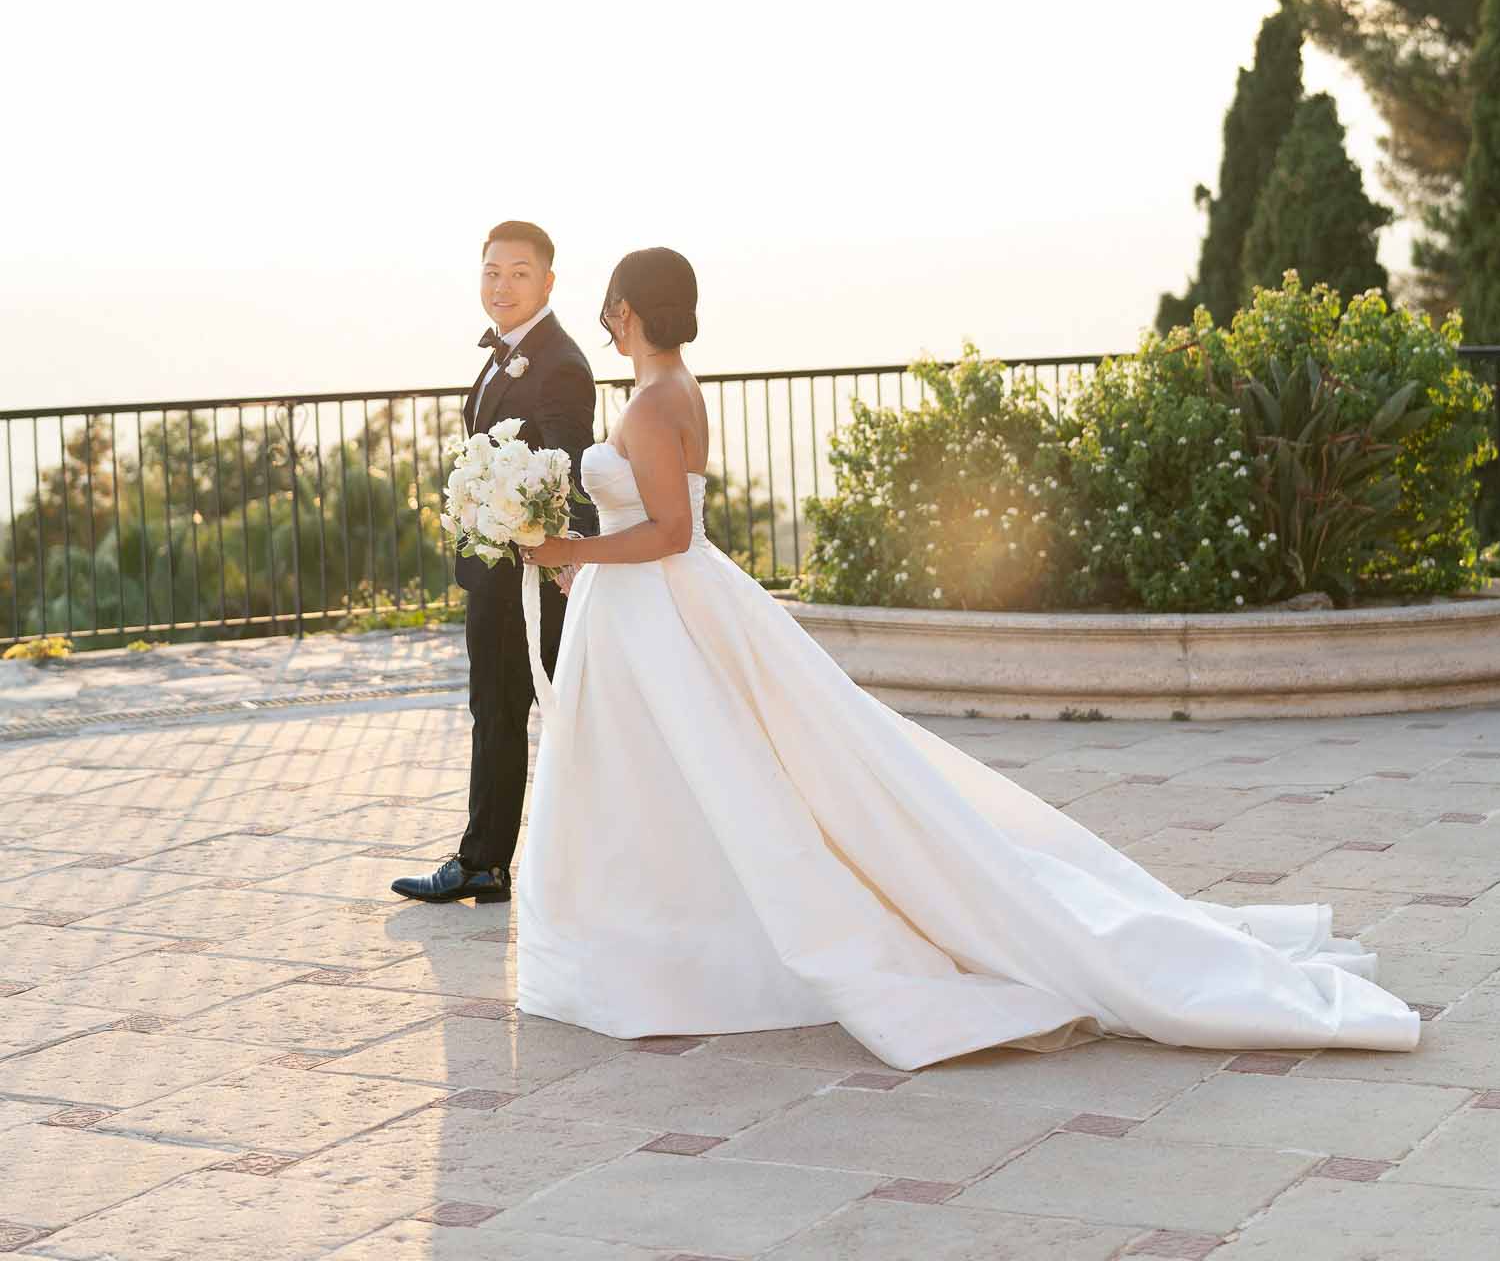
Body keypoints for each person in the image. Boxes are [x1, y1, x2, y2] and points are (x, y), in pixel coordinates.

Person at [517, 245, 1421, 1071]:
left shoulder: (648, 402)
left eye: (611, 307)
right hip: (650, 611)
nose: (609, 321)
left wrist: (566, 552)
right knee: (691, 777)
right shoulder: (679, 386)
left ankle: (674, 950)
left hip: (661, 606)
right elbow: (662, 529)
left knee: (681, 778)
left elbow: (669, 534)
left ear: (625, 309)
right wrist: (583, 565)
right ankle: (676, 937)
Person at [392, 219, 596, 905]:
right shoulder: (505, 350)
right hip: (496, 564)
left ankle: (484, 861)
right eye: (490, 271)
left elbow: (569, 467)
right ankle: (488, 858)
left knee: (505, 711)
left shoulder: (558, 361)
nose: (500, 285)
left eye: (516, 273)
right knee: (496, 709)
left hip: (527, 575)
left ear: (546, 281)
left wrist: (561, 553)